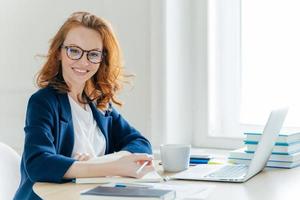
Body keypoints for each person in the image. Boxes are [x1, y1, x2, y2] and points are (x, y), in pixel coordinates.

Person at [14, 11, 153, 200]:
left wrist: (103, 161)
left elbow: (141, 143)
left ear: (102, 59)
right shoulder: (43, 102)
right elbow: (38, 163)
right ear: (59, 53)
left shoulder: (100, 104)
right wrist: (110, 167)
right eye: (74, 50)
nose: (83, 61)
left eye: (93, 54)